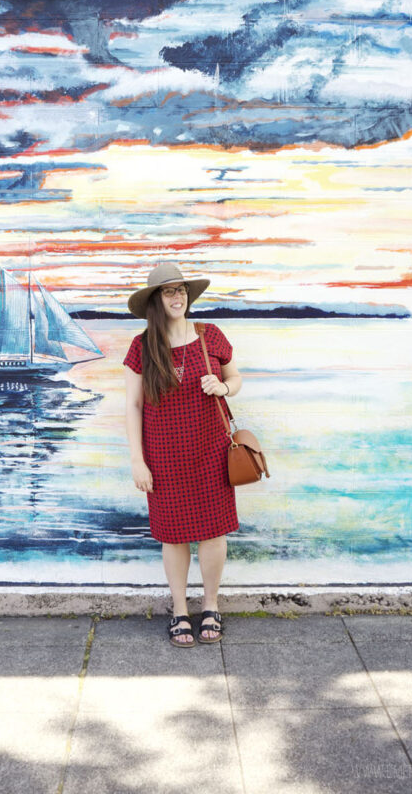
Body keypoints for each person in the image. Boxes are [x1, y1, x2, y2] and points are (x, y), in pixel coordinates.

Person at [123, 262, 242, 647]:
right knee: (172, 536)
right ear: (155, 300)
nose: (177, 297)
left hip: (211, 450)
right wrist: (137, 460)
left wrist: (223, 388)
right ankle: (178, 610)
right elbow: (133, 406)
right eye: (169, 291)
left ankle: (210, 606)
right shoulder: (142, 347)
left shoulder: (210, 335)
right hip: (164, 456)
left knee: (213, 532)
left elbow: (236, 378)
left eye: (181, 290)